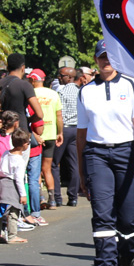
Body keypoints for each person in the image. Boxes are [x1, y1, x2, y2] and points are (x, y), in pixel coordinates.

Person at [77, 39, 134, 266]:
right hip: (97, 154)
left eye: (109, 57)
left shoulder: (131, 85)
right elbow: (82, 135)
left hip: (127, 153)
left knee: (129, 218)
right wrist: (82, 173)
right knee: (102, 216)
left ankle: (128, 259)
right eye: (101, 57)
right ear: (95, 61)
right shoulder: (85, 91)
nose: (105, 61)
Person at [0, 54, 45, 226]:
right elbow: (38, 112)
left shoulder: (0, 84)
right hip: (21, 134)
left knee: (6, 173)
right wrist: (29, 123)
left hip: (2, 133)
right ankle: (18, 215)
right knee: (21, 174)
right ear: (23, 67)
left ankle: (5, 214)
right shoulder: (24, 85)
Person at [28, 69, 63, 210]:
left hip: (36, 135)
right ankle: (52, 200)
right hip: (50, 134)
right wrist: (60, 132)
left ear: (32, 80)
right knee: (47, 169)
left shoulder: (31, 94)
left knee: (35, 170)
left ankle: (40, 198)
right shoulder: (53, 94)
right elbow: (59, 116)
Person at [0, 129, 31, 244]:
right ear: (24, 145)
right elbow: (19, 179)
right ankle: (12, 236)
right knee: (14, 211)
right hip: (12, 185)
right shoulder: (20, 161)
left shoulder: (5, 154)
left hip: (2, 183)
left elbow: (0, 169)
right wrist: (23, 195)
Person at [52, 66, 82, 207]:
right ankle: (73, 197)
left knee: (54, 163)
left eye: (61, 75)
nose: (59, 77)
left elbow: (59, 113)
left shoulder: (61, 92)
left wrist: (59, 132)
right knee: (73, 164)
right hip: (76, 130)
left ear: (69, 77)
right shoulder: (80, 92)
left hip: (64, 129)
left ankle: (57, 197)